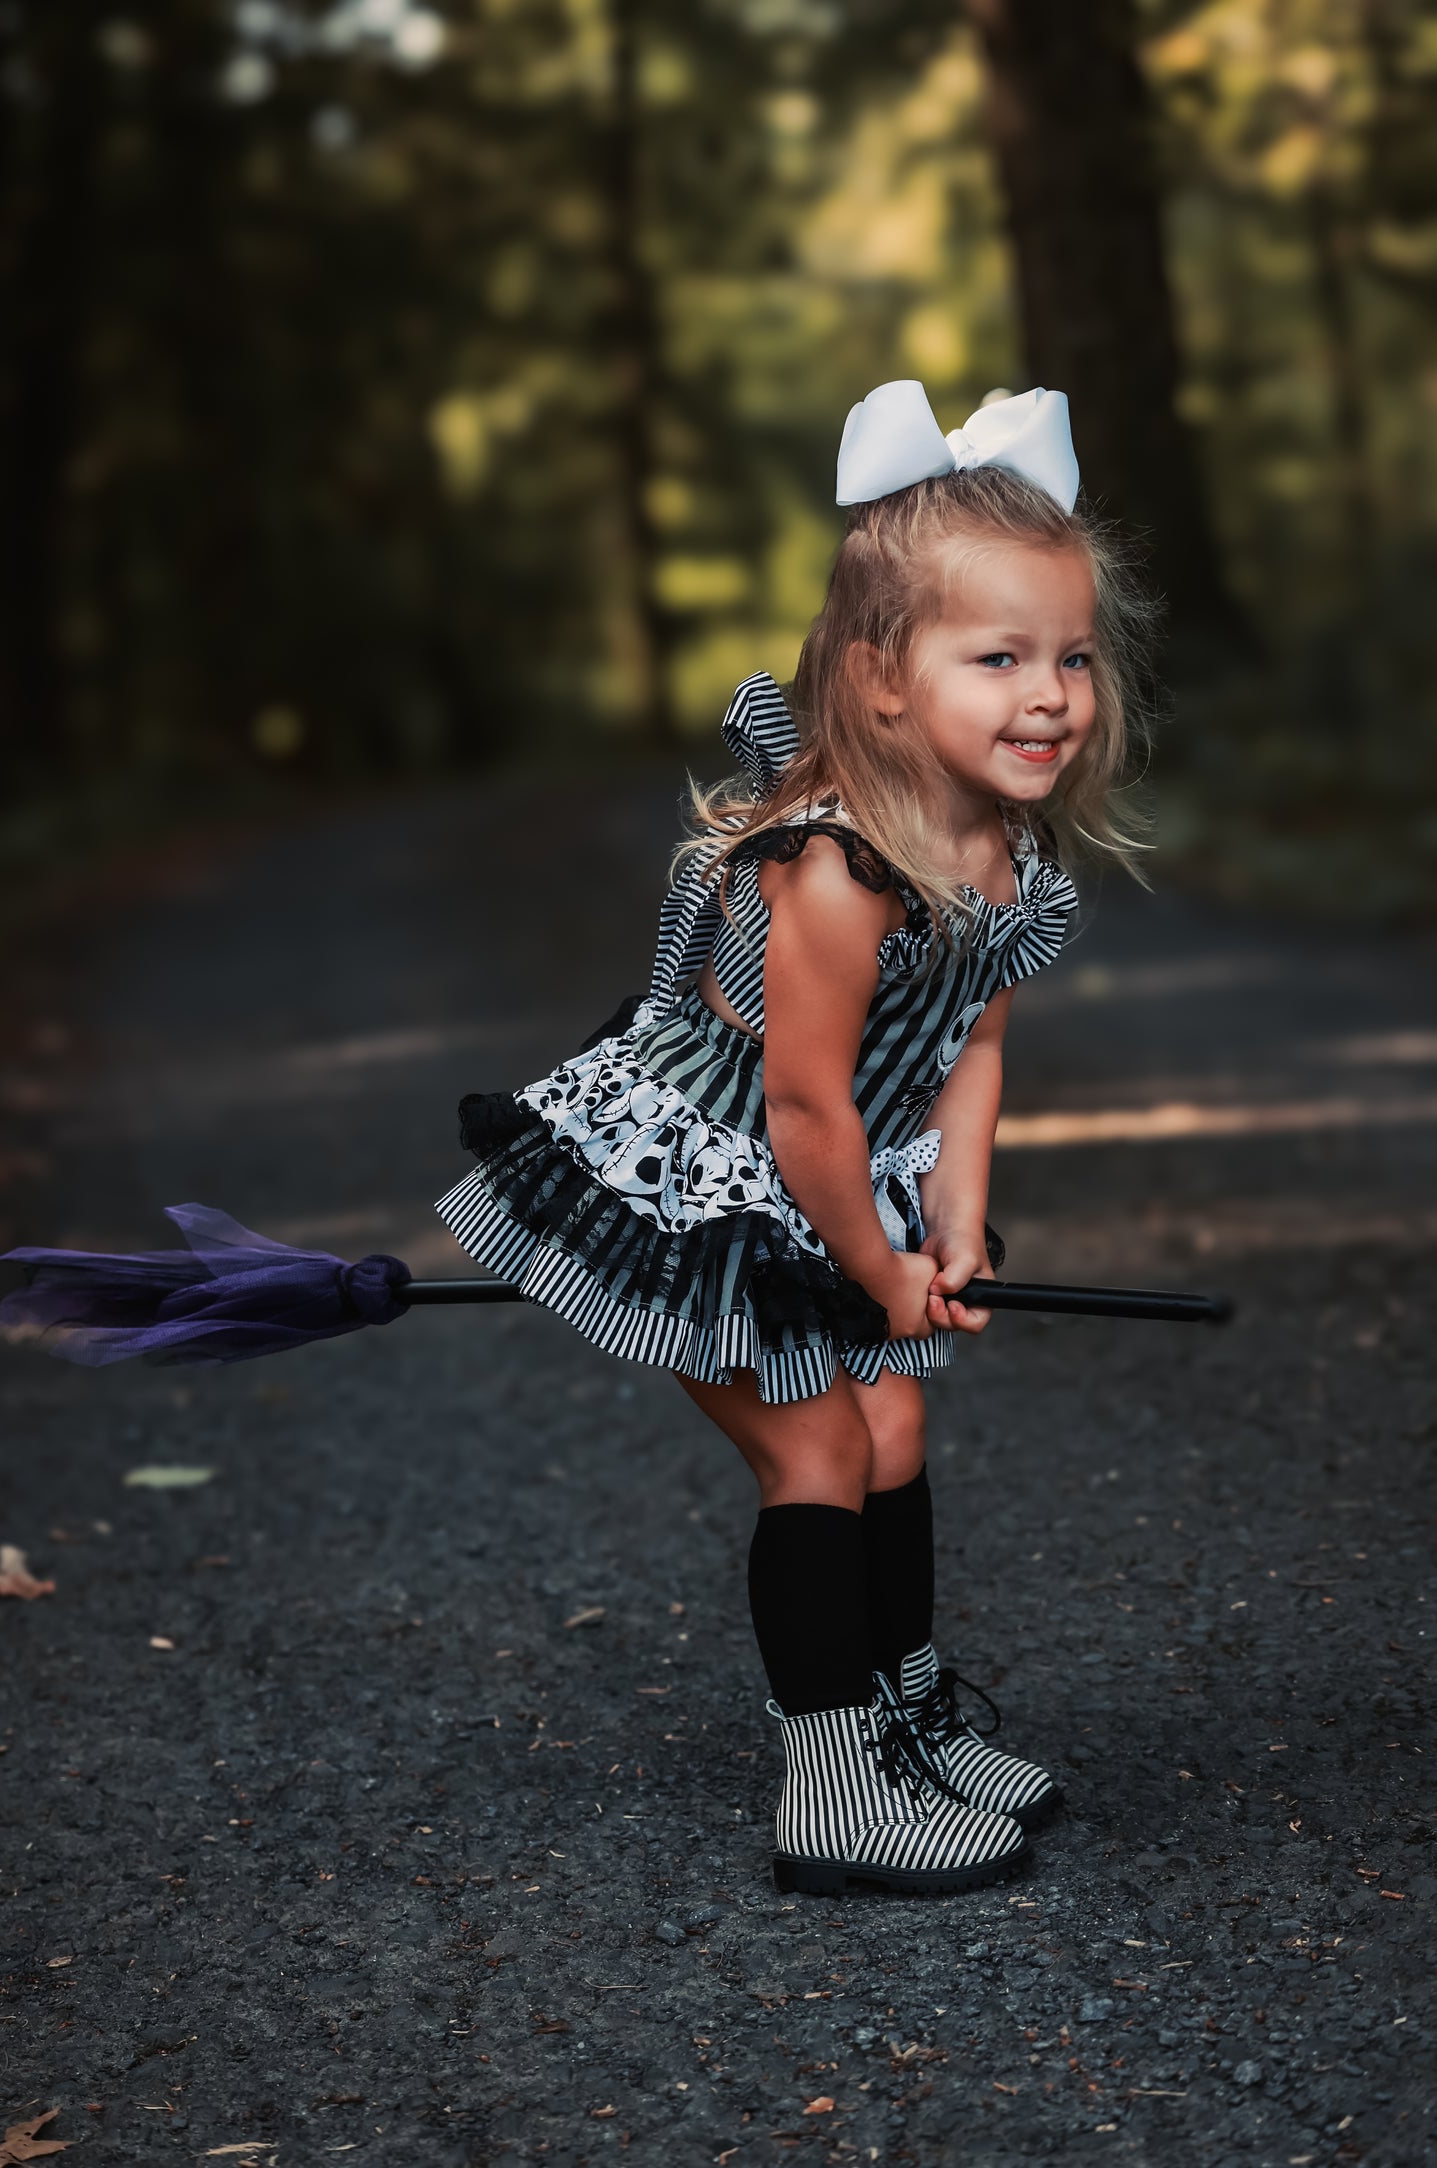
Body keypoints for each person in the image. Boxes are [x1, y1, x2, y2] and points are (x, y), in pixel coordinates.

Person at [437, 380, 1155, 1898]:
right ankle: (832, 1786)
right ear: (881, 680)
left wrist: (955, 1211)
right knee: (823, 1440)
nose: (1049, 694)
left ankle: (903, 1720)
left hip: (834, 1180)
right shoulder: (836, 867)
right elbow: (805, 1107)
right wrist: (877, 1268)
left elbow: (974, 1030)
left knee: (894, 1425)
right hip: (700, 1177)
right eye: (998, 658)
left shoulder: (996, 847)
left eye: (1070, 657)